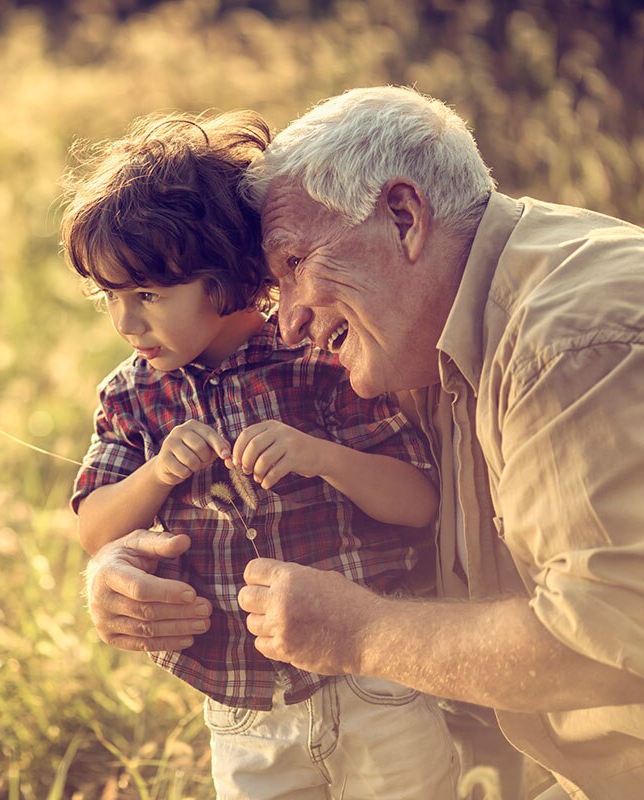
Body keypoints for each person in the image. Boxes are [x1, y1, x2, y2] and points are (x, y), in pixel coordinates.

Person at [84, 86, 644, 799]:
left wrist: (360, 634)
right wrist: (117, 565)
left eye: (291, 267)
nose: (282, 323)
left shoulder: (569, 345)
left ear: (404, 218)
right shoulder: (419, 336)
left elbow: (609, 639)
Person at [61, 110, 458, 799]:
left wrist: (319, 455)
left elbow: (420, 502)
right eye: (110, 298)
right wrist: (159, 472)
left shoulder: (319, 357)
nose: (126, 323)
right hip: (242, 704)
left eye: (147, 295)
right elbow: (95, 531)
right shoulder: (133, 397)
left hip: (373, 681)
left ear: (222, 277)